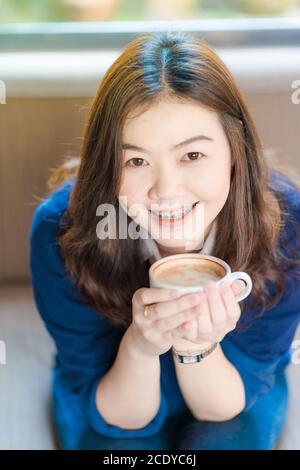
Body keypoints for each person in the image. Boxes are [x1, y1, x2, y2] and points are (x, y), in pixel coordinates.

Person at [29, 31, 300, 450]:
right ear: (107, 164)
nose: (167, 190)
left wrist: (197, 346)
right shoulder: (61, 230)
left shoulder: (288, 224)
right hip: (111, 390)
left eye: (192, 155)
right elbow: (119, 419)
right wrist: (139, 346)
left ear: (235, 151)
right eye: (136, 161)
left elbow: (220, 410)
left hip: (235, 390)